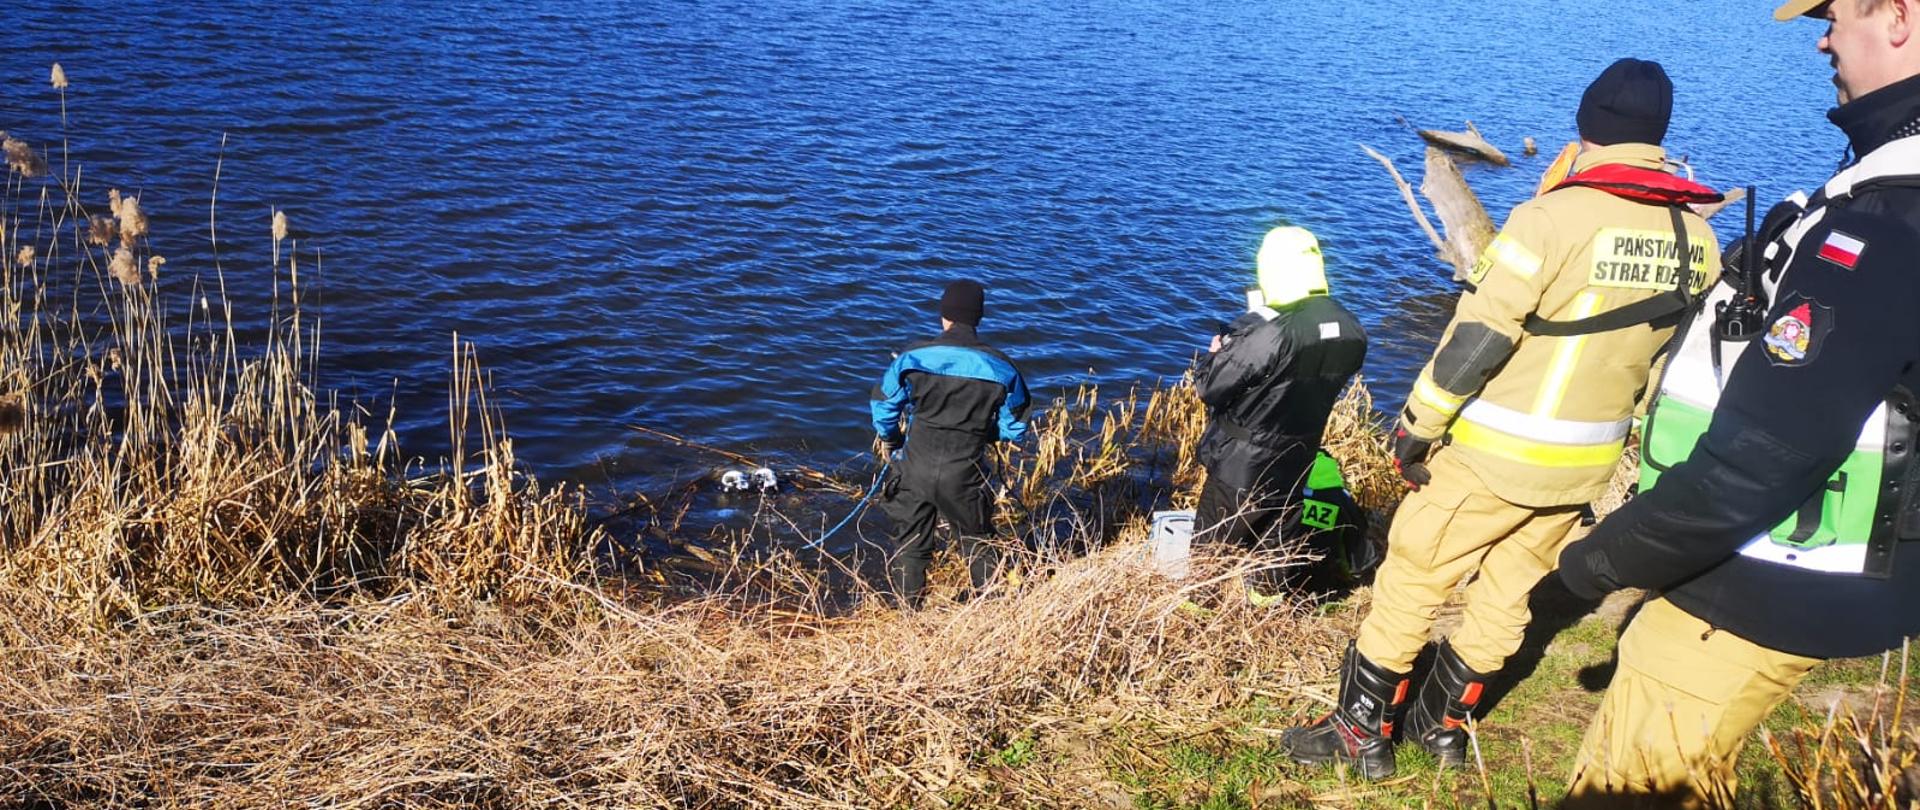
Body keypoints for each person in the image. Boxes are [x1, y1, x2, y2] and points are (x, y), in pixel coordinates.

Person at [1281, 58, 1725, 780]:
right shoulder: (1695, 240)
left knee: (1415, 579)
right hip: (1585, 462)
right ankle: (1443, 729)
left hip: (1495, 453)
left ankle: (1361, 734)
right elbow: (1669, 363)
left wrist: (1419, 423)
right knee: (1509, 594)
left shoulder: (1550, 218)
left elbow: (1480, 337)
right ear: (1657, 135)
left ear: (1587, 128)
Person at [1557, 2, 1920, 804]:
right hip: (1831, 576)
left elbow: (1760, 462)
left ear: (1897, 17)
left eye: (1835, 15)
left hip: (1763, 584)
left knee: (1623, 788)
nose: (1822, 36)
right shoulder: (1887, 183)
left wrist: (1589, 567)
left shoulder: (1890, 214)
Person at [1192, 226, 1368, 593]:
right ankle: (1266, 613)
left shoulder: (1270, 332)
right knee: (1275, 547)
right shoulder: (1351, 327)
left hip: (1243, 462)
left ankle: (1196, 611)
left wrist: (1216, 354)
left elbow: (1210, 387)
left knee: (1211, 549)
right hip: (1298, 456)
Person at [869, 280, 1030, 608]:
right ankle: (991, 611)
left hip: (914, 465)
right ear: (978, 318)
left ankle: (908, 619)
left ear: (944, 316)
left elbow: (883, 405)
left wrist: (891, 438)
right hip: (964, 473)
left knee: (911, 544)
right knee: (977, 541)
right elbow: (1016, 428)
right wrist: (987, 433)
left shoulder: (912, 357)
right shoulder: (1002, 367)